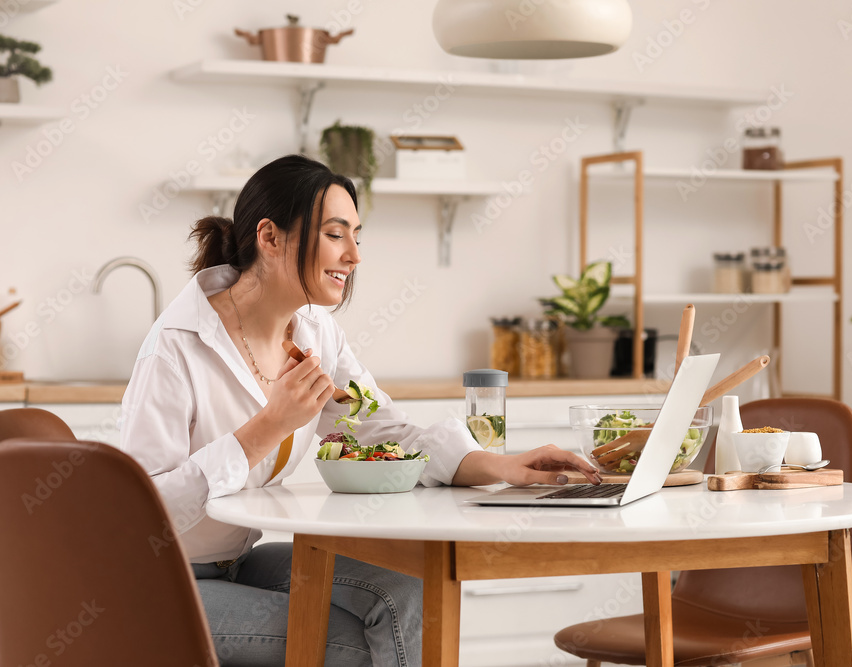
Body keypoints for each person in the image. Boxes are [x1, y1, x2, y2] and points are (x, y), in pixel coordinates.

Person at [119, 154, 601, 667]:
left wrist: (500, 464)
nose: (353, 256)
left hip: (238, 561)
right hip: (157, 583)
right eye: (334, 234)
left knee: (407, 589)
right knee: (347, 646)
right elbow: (141, 514)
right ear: (270, 236)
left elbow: (381, 429)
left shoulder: (315, 333)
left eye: (357, 235)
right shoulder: (176, 346)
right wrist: (267, 428)